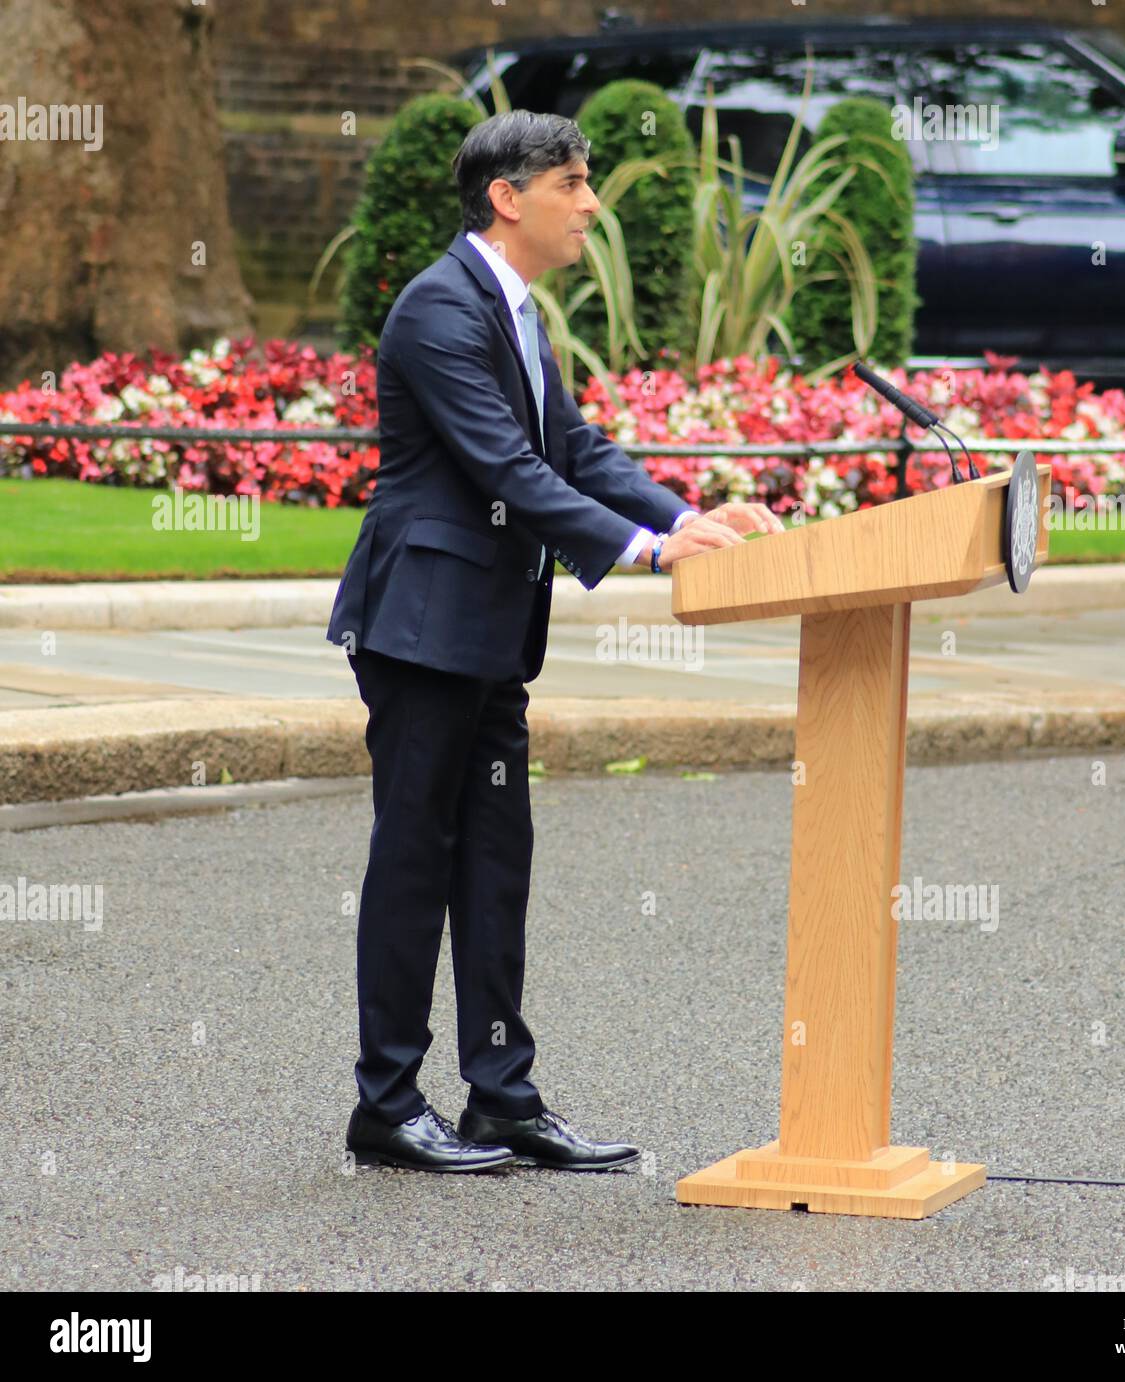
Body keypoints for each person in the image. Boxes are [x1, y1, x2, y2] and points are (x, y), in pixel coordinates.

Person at [326, 109, 781, 1174]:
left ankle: (501, 1097)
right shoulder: (438, 308)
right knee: (413, 860)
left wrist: (681, 518)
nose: (590, 203)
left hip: (488, 635)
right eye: (572, 182)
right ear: (506, 196)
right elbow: (505, 469)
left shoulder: (514, 310)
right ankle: (386, 1104)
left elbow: (571, 446)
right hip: (422, 629)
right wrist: (644, 551)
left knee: (494, 863)